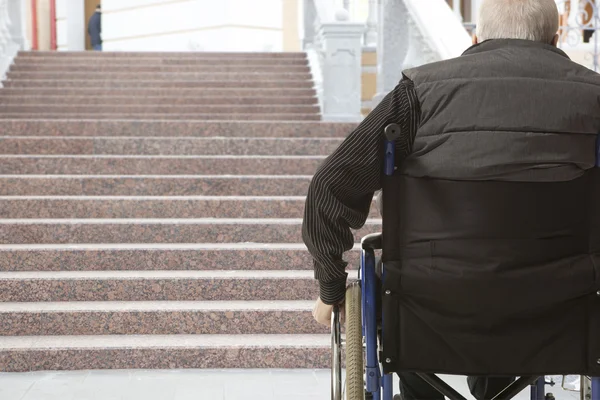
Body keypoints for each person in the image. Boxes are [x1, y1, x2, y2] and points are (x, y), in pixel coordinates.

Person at [303, 0, 600, 399]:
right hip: (557, 307)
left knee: (421, 280)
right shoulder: (592, 97)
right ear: (556, 37)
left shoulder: (418, 94)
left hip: (427, 309)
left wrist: (331, 288)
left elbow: (328, 187)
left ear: (475, 39)